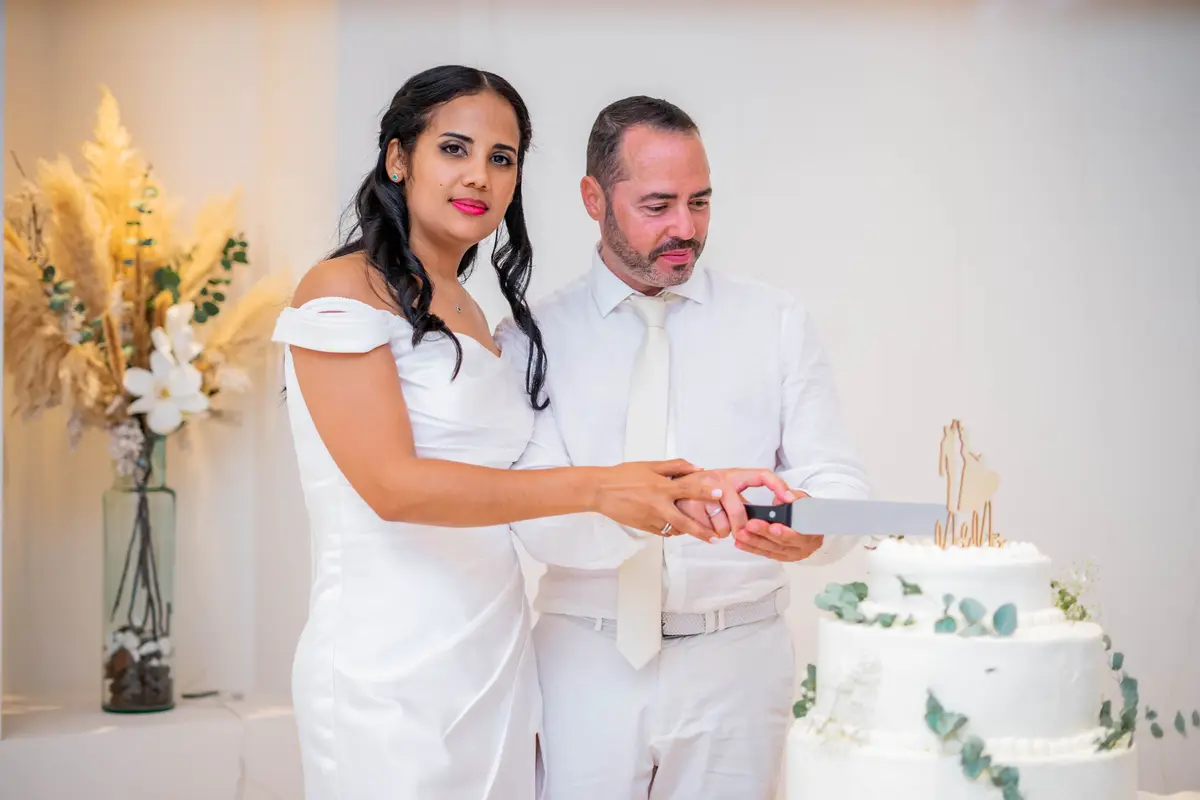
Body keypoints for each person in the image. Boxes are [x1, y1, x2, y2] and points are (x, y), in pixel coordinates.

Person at [270, 67, 793, 800]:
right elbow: (392, 486)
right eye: (454, 149)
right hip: (388, 654)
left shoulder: (474, 313)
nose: (479, 176)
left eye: (502, 158)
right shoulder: (340, 289)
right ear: (398, 158)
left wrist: (693, 486)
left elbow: (522, 472)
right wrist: (598, 489)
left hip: (494, 646)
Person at [494, 96, 871, 799]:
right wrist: (667, 510)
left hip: (740, 663)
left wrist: (812, 528)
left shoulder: (776, 321)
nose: (686, 229)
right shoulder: (529, 338)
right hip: (583, 657)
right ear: (593, 198)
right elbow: (535, 518)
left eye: (700, 202)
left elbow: (840, 483)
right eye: (658, 205)